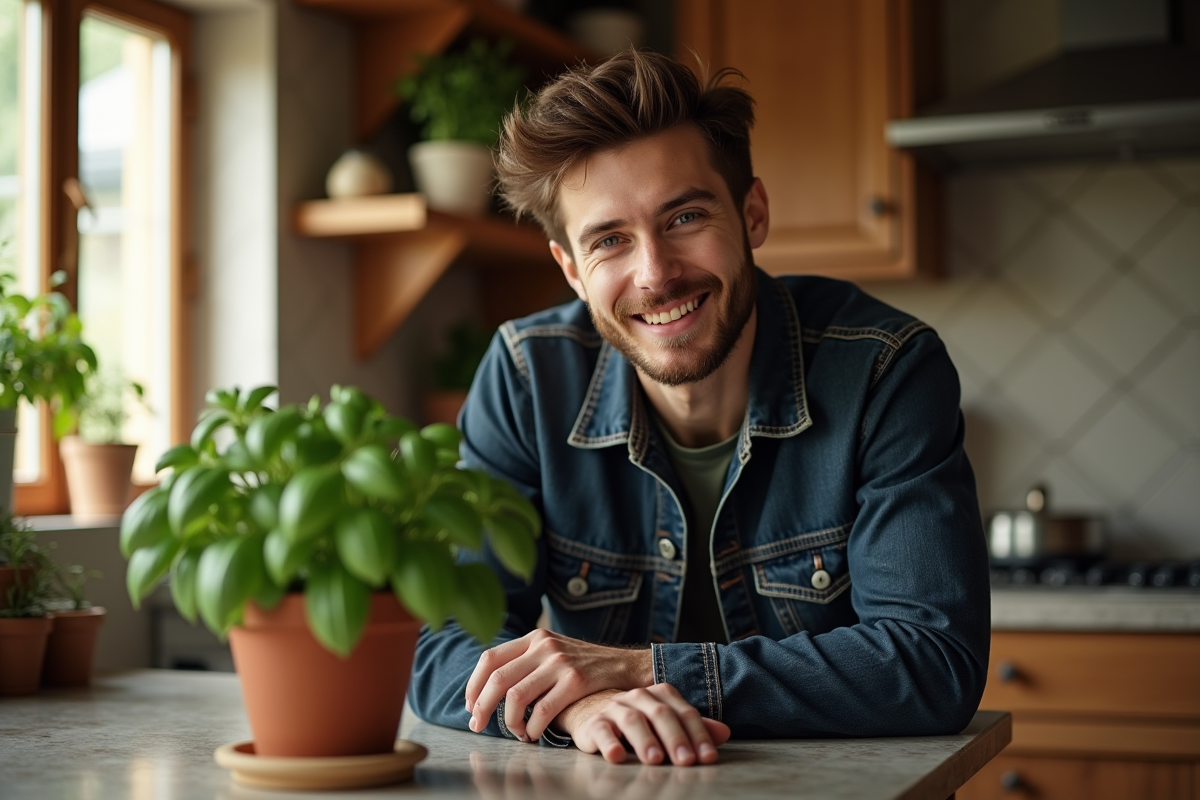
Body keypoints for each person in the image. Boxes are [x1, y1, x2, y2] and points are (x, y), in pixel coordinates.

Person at [408, 49, 990, 767]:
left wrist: (641, 670)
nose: (654, 273)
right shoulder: (528, 377)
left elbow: (931, 664)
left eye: (684, 216)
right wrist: (583, 706)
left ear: (753, 213)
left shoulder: (884, 366)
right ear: (570, 268)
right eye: (610, 240)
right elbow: (444, 649)